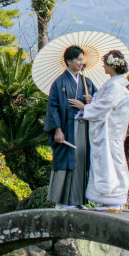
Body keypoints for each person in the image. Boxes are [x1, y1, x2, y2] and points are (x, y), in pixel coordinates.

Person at [70, 49, 129, 212]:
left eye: (105, 64)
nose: (103, 67)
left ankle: (113, 199)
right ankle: (111, 200)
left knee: (110, 163)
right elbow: (104, 102)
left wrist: (85, 107)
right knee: (111, 162)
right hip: (110, 133)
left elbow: (104, 106)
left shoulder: (115, 85)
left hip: (109, 134)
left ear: (112, 66)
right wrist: (93, 100)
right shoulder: (114, 84)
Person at [44, 45, 96, 209]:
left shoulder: (87, 82)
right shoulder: (60, 82)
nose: (82, 62)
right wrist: (57, 129)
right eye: (79, 59)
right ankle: (62, 202)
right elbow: (52, 107)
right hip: (66, 129)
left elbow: (99, 103)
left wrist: (89, 101)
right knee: (66, 162)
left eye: (82, 59)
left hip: (83, 128)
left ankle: (79, 200)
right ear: (69, 61)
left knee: (82, 162)